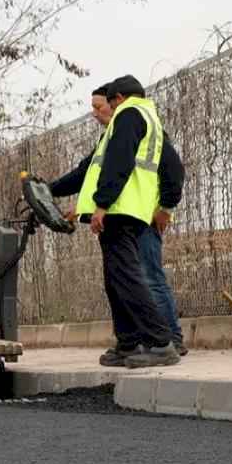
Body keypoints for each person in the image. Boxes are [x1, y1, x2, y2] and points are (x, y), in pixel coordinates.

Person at [48, 75, 178, 368]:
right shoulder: (144, 117)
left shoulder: (130, 115)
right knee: (116, 280)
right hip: (126, 210)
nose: (101, 111)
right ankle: (129, 342)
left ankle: (160, 343)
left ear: (118, 98)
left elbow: (119, 162)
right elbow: (90, 171)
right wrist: (52, 190)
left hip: (121, 210)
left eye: (105, 103)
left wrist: (102, 205)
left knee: (129, 278)